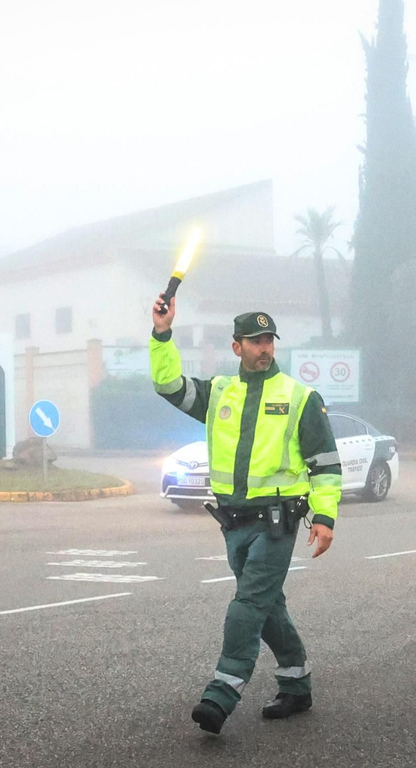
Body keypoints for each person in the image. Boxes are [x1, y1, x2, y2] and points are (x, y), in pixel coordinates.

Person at [149, 296, 341, 735]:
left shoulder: (300, 397)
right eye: (255, 341)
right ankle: (297, 685)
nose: (264, 348)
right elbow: (167, 385)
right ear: (237, 347)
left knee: (247, 606)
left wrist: (325, 517)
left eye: (269, 339)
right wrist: (162, 333)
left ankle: (222, 692)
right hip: (233, 525)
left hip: (278, 523)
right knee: (269, 608)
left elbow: (326, 464)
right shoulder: (218, 392)